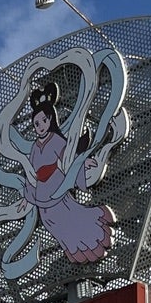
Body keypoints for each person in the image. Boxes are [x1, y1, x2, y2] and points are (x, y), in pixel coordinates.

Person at [19, 81, 115, 265]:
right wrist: (26, 196)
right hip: (42, 197)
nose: (40, 126)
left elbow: (69, 158)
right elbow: (32, 174)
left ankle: (93, 244)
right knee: (55, 227)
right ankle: (75, 253)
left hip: (57, 189)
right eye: (36, 123)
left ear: (51, 120)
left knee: (74, 220)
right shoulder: (34, 148)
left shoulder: (56, 140)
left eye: (43, 121)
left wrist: (83, 161)